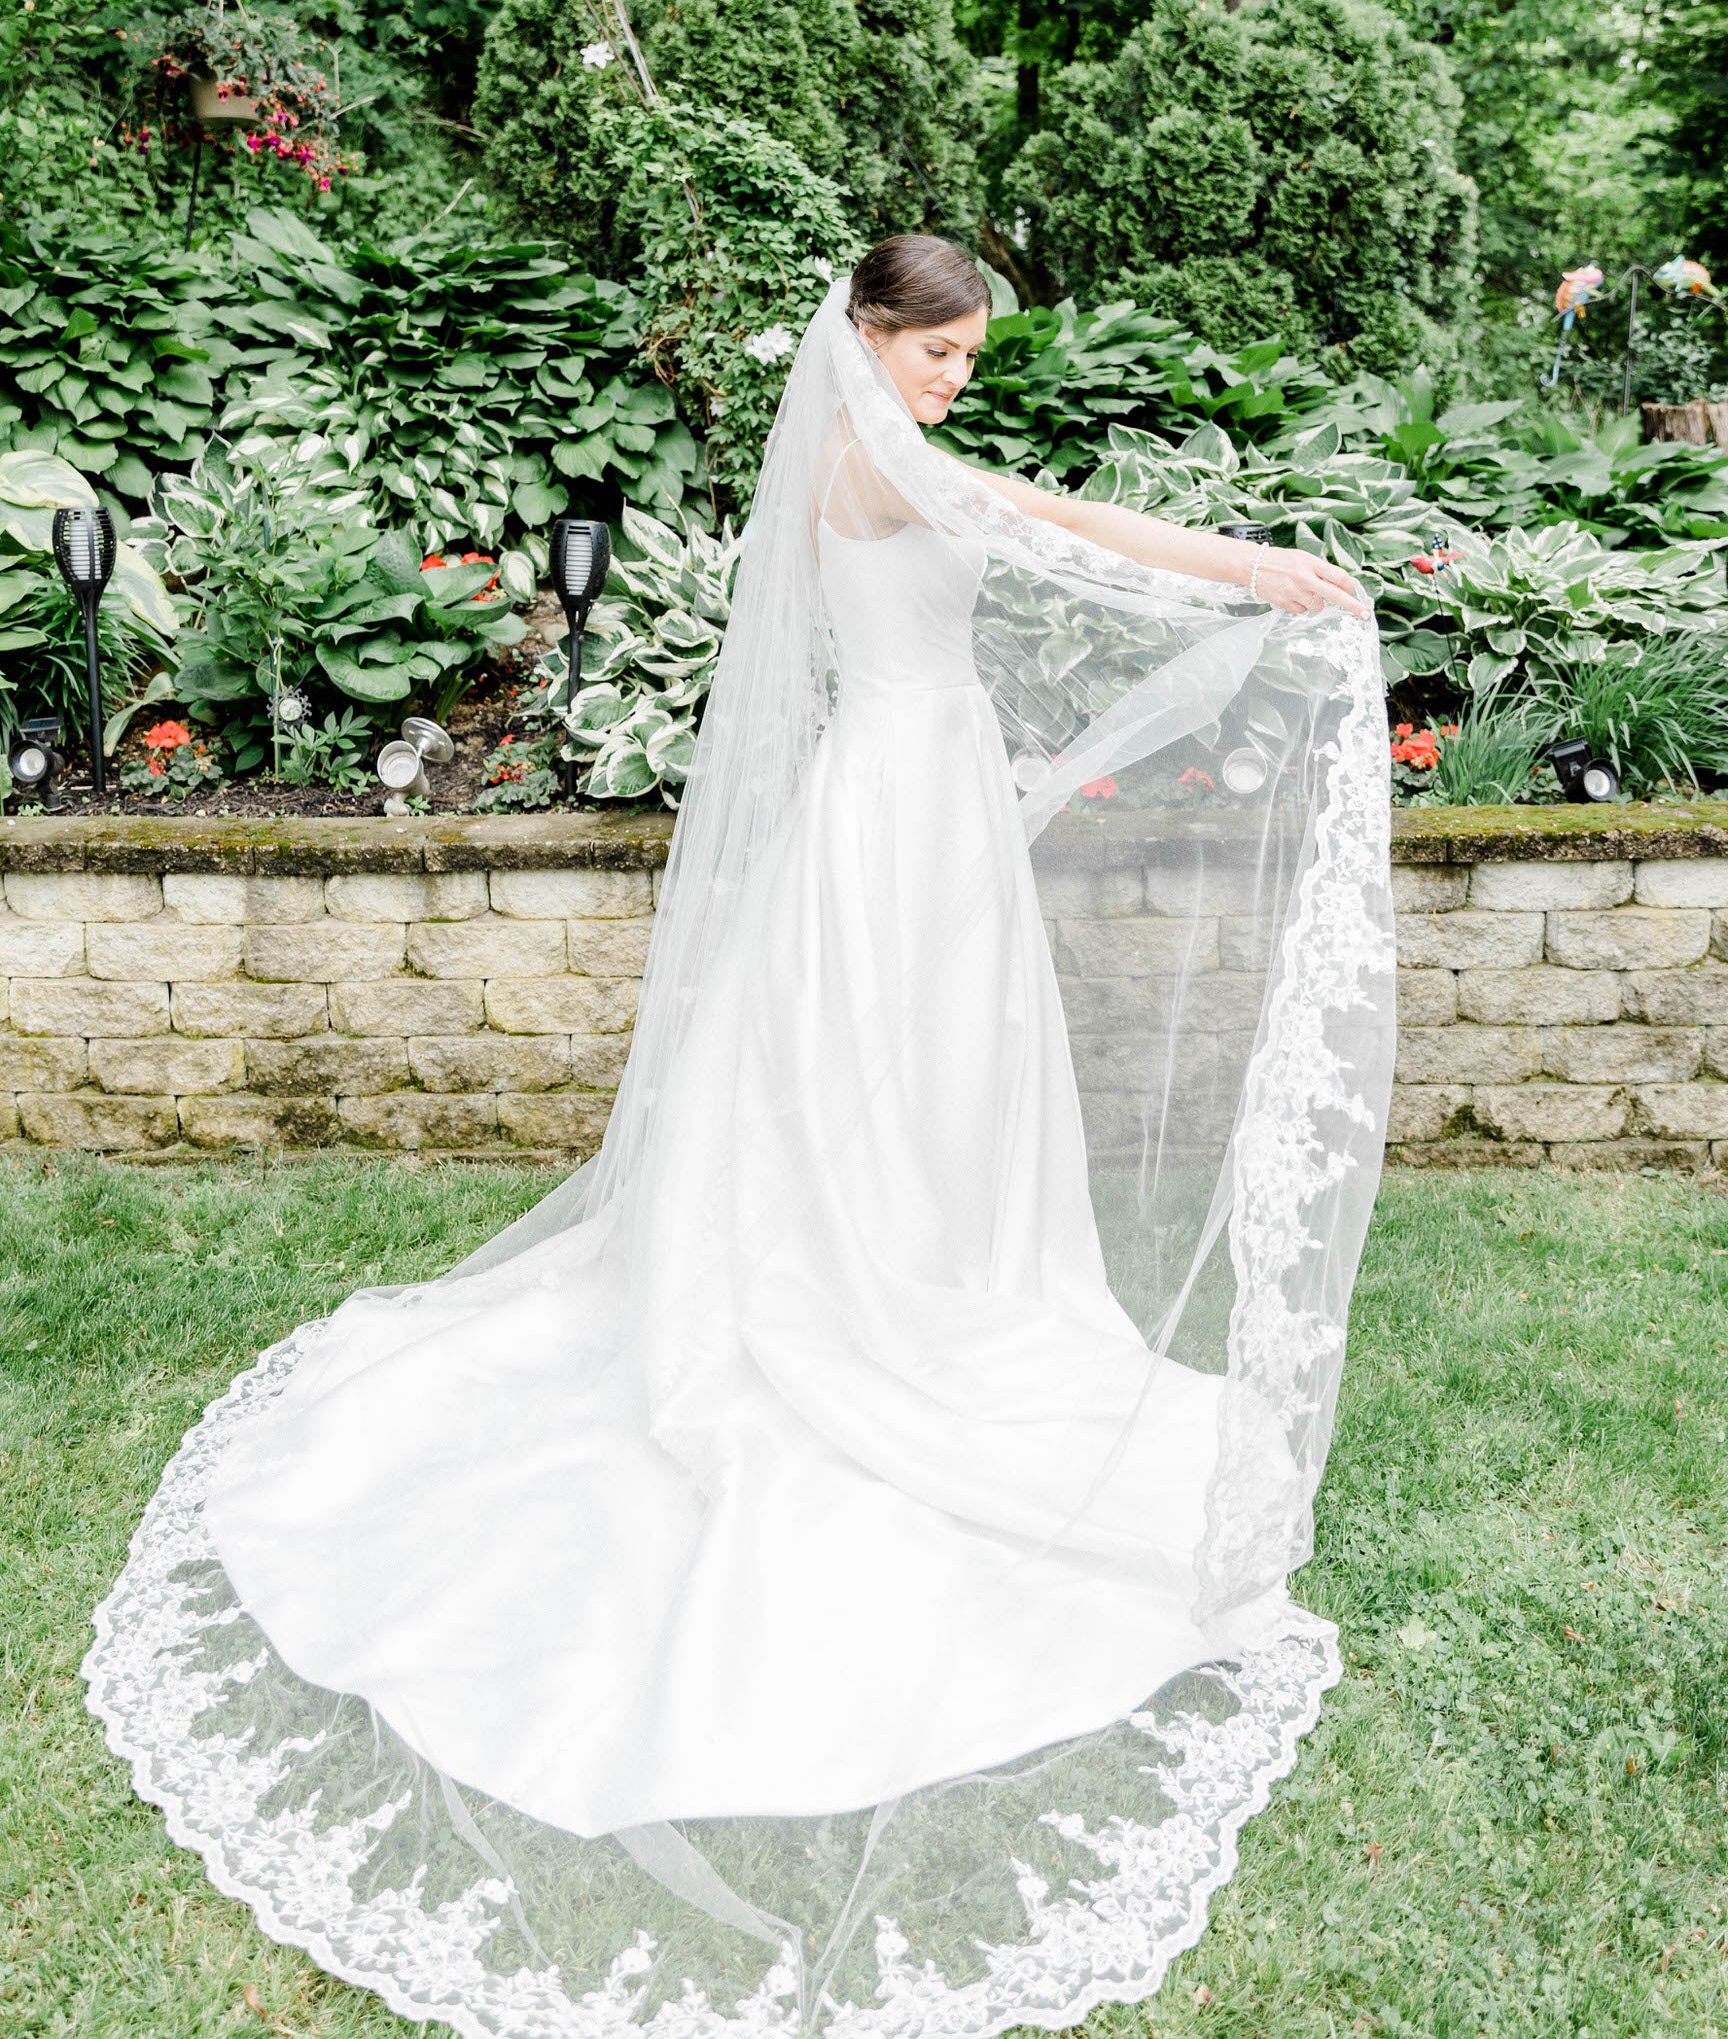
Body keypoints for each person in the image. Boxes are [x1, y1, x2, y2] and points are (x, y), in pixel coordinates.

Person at [87, 235, 1395, 2039]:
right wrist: (1259, 571)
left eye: (968, 357)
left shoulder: (885, 447)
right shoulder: (877, 460)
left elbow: (1020, 535)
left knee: (939, 1060)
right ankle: (867, 1289)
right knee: (871, 1058)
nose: (955, 379)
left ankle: (944, 1261)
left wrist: (1244, 580)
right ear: (866, 339)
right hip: (895, 803)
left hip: (926, 791)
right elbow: (1060, 532)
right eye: (936, 352)